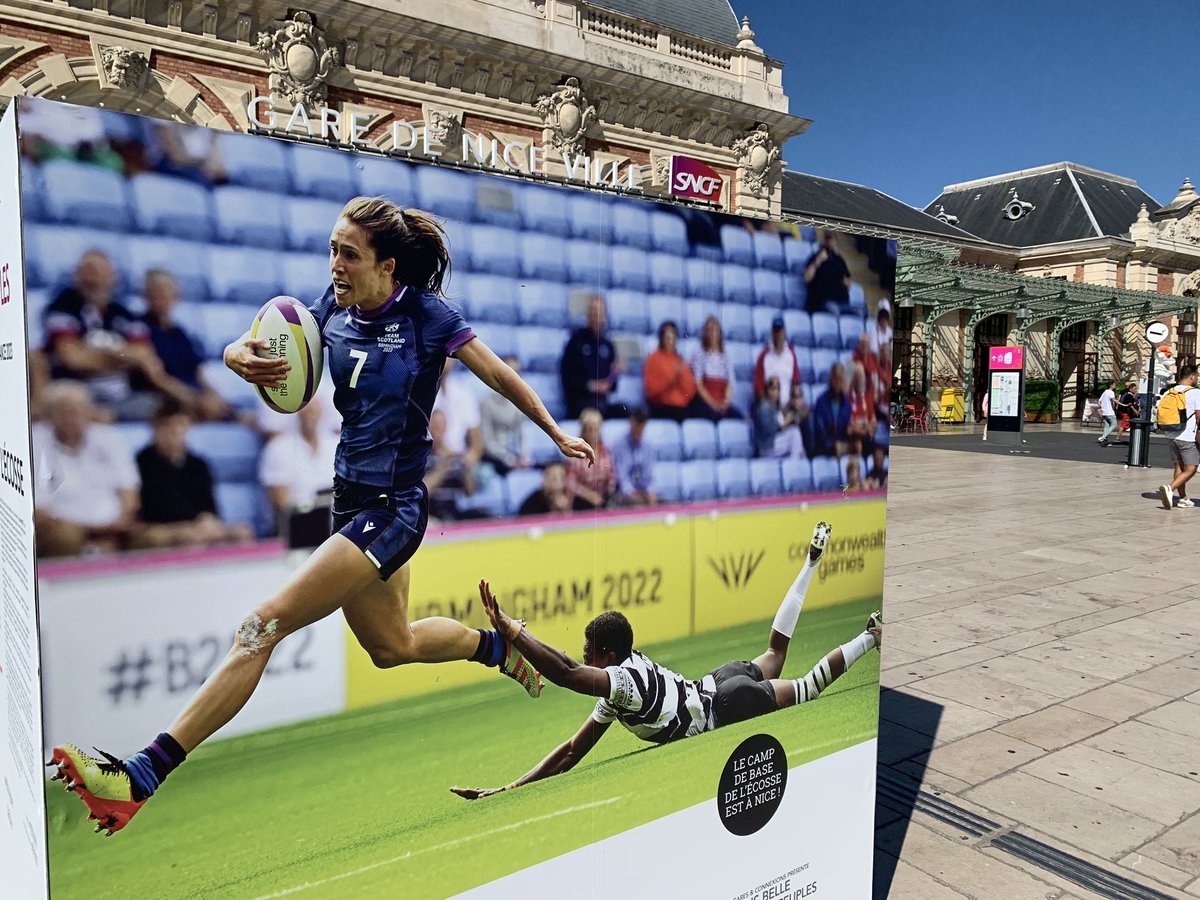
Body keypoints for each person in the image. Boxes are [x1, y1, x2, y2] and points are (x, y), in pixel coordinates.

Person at [51, 196, 596, 835]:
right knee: (392, 647)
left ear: (387, 265)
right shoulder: (331, 306)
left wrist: (555, 432)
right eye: (332, 249)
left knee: (260, 626)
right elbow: (249, 344)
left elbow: (500, 377)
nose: (334, 263)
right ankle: (495, 646)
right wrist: (237, 357)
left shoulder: (427, 316)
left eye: (348, 254)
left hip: (393, 509)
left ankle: (139, 776)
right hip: (348, 503)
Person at [450, 523, 882, 798]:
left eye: (589, 652)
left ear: (609, 656)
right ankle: (810, 566)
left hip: (725, 706)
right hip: (718, 683)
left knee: (807, 688)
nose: (583, 658)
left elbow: (564, 673)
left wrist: (514, 632)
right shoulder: (620, 687)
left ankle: (869, 635)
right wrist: (508, 788)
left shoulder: (623, 682)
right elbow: (569, 753)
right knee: (775, 654)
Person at [43, 250, 186, 419]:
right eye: (88, 271)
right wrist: (122, 356)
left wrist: (95, 354)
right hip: (78, 394)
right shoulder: (60, 310)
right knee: (73, 407)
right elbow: (73, 359)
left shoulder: (125, 315)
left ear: (113, 277)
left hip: (123, 396)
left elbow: (145, 356)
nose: (93, 279)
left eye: (99, 272)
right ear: (77, 276)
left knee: (169, 412)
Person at [32, 381, 141, 557]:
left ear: (89, 412)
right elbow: (39, 510)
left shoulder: (109, 438)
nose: (72, 416)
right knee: (65, 538)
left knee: (147, 536)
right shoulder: (35, 442)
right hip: (65, 529)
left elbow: (129, 491)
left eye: (78, 410)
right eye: (64, 410)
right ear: (50, 415)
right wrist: (91, 531)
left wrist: (120, 522)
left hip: (113, 526)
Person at [136, 402, 251, 548]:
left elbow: (209, 504)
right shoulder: (141, 463)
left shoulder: (198, 464)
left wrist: (207, 519)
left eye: (180, 425)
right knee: (184, 538)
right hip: (160, 527)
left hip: (196, 525)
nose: (175, 431)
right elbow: (150, 508)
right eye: (168, 426)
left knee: (242, 532)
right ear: (155, 430)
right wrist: (183, 527)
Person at [140, 269, 230, 421]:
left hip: (194, 395)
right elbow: (157, 377)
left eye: (166, 291)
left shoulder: (180, 333)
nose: (161, 296)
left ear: (176, 295)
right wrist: (193, 399)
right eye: (156, 291)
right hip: (166, 397)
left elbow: (198, 372)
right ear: (146, 295)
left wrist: (215, 396)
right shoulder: (139, 329)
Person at [258, 393, 339, 518]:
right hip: (298, 521)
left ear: (322, 411)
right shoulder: (278, 448)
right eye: (306, 409)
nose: (310, 415)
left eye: (314, 409)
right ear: (297, 413)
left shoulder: (337, 445)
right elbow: (281, 503)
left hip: (336, 521)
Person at [560, 293, 623, 418]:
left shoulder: (608, 345)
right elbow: (567, 377)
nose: (596, 316)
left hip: (602, 402)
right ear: (588, 315)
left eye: (600, 312)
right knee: (595, 409)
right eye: (593, 311)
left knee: (627, 411)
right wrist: (591, 386)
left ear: (605, 316)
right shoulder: (576, 341)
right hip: (581, 402)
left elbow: (612, 387)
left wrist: (614, 375)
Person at [432, 358, 483, 496]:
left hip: (459, 460)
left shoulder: (464, 393)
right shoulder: (418, 391)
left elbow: (476, 444)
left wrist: (467, 461)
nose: (445, 358)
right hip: (429, 458)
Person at [1157, 364, 1200, 510]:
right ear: (1192, 376)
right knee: (1191, 468)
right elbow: (1199, 416)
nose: (1198, 378)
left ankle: (1183, 498)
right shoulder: (1195, 393)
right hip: (1187, 436)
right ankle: (1170, 488)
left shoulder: (1170, 391)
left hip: (1170, 434)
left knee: (1178, 466)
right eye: (1197, 375)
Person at [480, 355, 530, 476]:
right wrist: (508, 459)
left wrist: (523, 456)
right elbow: (487, 440)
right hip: (493, 457)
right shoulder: (487, 402)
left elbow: (522, 433)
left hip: (514, 456)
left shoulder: (522, 401)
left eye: (516, 373)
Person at [643, 320, 701, 422]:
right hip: (662, 407)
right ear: (661, 338)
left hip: (682, 407)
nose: (670, 341)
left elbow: (690, 392)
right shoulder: (653, 359)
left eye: (673, 337)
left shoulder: (680, 360)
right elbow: (650, 392)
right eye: (667, 337)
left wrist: (680, 382)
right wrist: (670, 382)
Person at [565, 407, 616, 509]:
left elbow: (611, 477)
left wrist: (608, 490)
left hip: (603, 497)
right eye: (589, 429)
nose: (593, 433)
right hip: (582, 500)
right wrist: (588, 495)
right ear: (583, 431)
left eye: (596, 429)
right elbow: (571, 484)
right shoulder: (575, 453)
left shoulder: (606, 452)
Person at [691, 316, 740, 420]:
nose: (713, 333)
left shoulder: (725, 355)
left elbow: (730, 382)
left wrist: (726, 402)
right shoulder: (699, 354)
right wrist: (713, 404)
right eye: (709, 330)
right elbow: (698, 384)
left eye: (715, 330)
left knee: (739, 418)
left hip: (721, 399)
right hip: (705, 400)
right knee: (715, 416)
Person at [611, 406, 657, 506]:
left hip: (643, 491)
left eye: (642, 424)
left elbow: (649, 473)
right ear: (631, 422)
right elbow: (621, 476)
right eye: (638, 423)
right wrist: (632, 492)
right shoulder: (619, 445)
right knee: (636, 503)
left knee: (663, 503)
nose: (640, 427)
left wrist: (649, 491)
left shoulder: (648, 445)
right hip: (623, 493)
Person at [753, 376, 804, 458]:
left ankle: (796, 464)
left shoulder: (774, 406)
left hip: (774, 443)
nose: (775, 392)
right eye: (773, 389)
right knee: (794, 433)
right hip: (767, 447)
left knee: (800, 447)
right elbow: (769, 429)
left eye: (777, 389)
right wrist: (785, 422)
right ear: (768, 390)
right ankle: (794, 464)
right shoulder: (764, 407)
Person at [752, 316, 801, 402]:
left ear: (785, 332)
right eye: (776, 331)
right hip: (769, 404)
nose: (778, 334)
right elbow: (758, 387)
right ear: (772, 332)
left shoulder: (791, 355)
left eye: (780, 331)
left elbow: (797, 382)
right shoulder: (764, 356)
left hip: (788, 404)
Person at [802, 231, 851, 313]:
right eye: (828, 239)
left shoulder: (839, 260)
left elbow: (848, 282)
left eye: (832, 239)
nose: (830, 242)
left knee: (859, 312)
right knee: (834, 310)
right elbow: (806, 278)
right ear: (824, 240)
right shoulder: (816, 256)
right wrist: (818, 261)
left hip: (841, 301)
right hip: (822, 302)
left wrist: (845, 280)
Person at [518, 461, 589, 515]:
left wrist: (567, 510)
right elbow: (523, 522)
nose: (557, 482)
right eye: (553, 478)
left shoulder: (575, 499)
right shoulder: (533, 502)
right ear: (544, 480)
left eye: (561, 477)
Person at [811, 362, 851, 457]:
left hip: (842, 444)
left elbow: (846, 428)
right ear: (830, 379)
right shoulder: (821, 401)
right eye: (835, 379)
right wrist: (832, 445)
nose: (838, 382)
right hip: (825, 446)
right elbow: (820, 431)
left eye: (840, 379)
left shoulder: (846, 403)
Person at [1096, 381, 1117, 446]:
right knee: (1114, 425)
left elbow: (1099, 402)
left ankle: (1105, 441)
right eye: (1114, 385)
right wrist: (1123, 404)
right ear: (1111, 385)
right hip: (1110, 412)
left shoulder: (1105, 392)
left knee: (1107, 426)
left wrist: (1102, 407)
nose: (1115, 386)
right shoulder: (1111, 392)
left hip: (1104, 412)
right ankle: (1103, 437)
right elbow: (1114, 400)